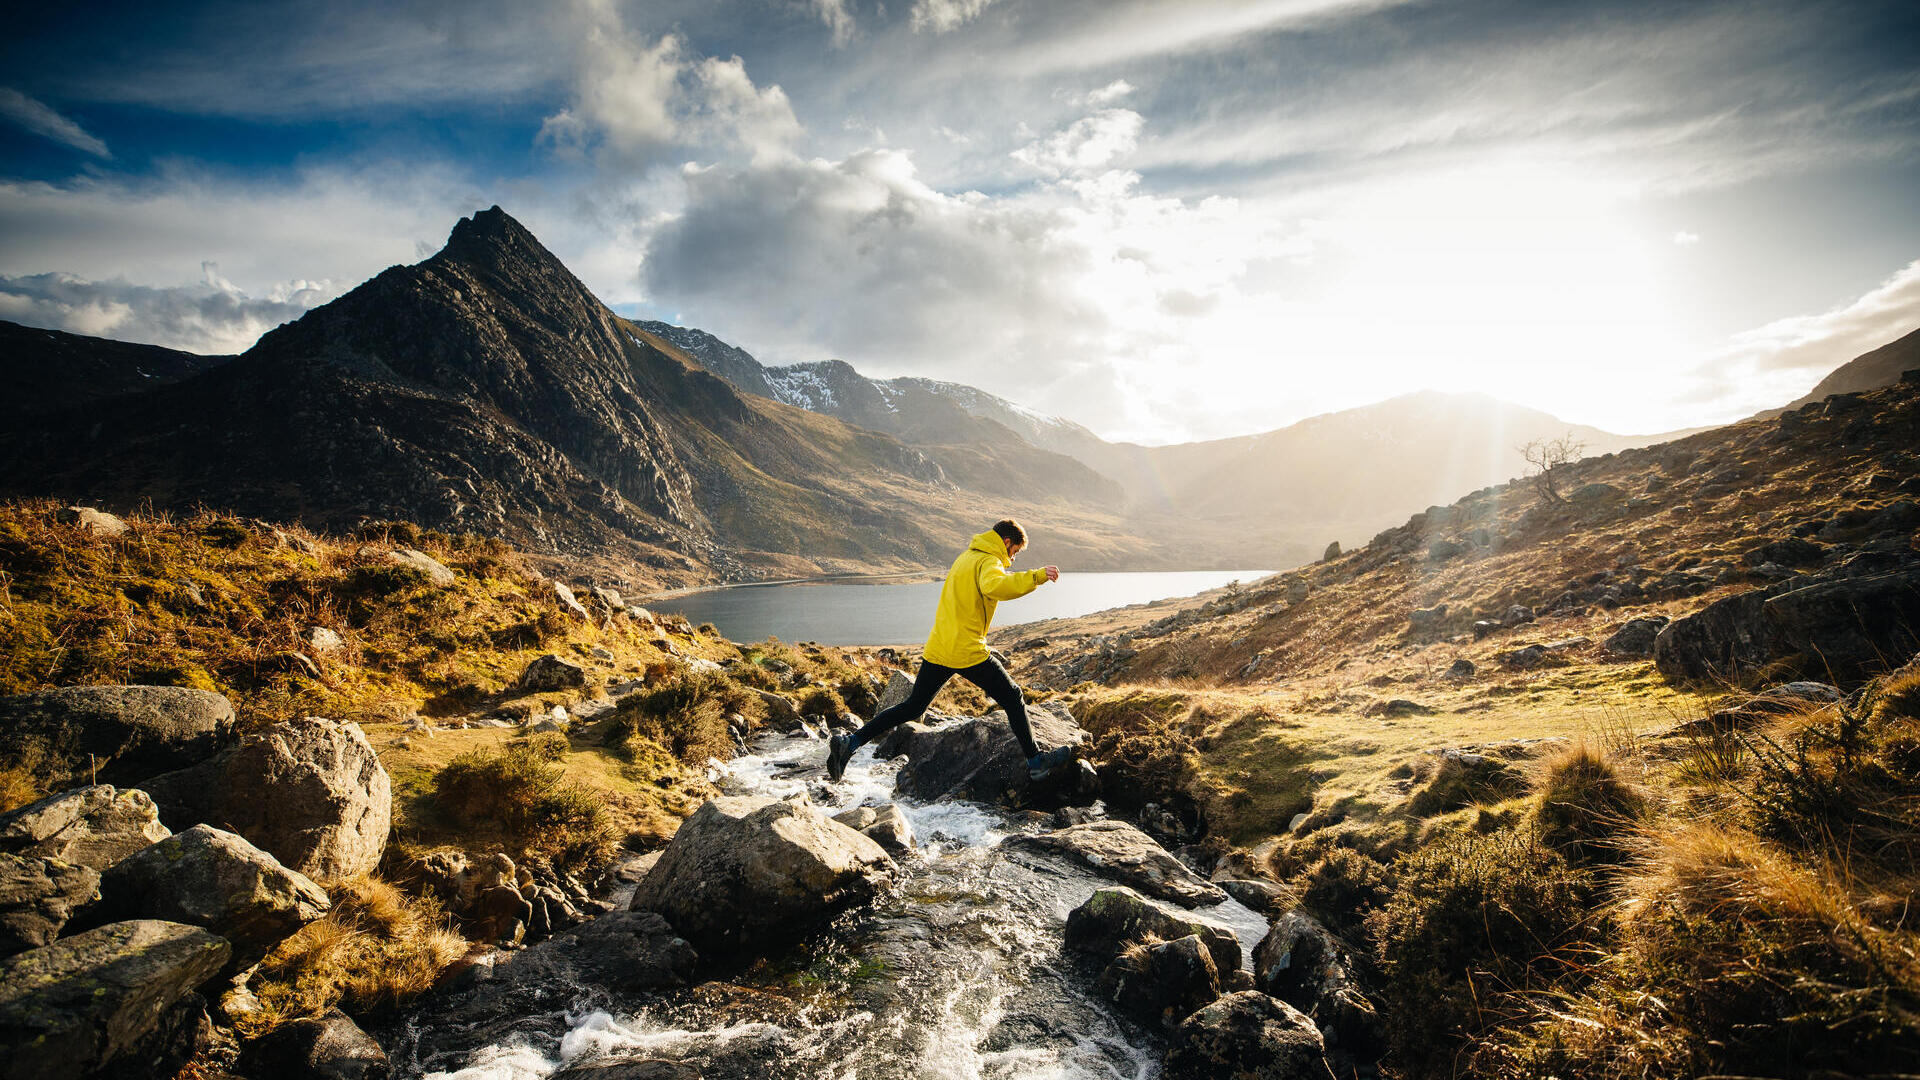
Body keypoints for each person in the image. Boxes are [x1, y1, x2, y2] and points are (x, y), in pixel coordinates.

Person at [828, 518, 1075, 783]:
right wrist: (1037, 576)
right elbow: (997, 586)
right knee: (1013, 697)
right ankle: (1036, 762)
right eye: (1014, 552)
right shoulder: (989, 562)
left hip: (940, 646)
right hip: (966, 650)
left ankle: (850, 743)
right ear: (1006, 542)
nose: (1012, 560)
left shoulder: (966, 557)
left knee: (913, 706)